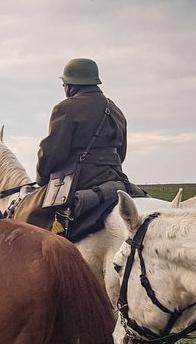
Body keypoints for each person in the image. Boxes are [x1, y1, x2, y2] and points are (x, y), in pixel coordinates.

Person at [14, 58, 132, 231]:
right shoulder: (115, 109)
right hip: (115, 177)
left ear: (70, 85)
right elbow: (121, 154)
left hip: (80, 180)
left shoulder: (65, 108)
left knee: (25, 212)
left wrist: (42, 179)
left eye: (64, 85)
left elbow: (52, 153)